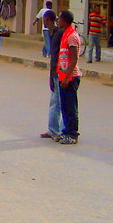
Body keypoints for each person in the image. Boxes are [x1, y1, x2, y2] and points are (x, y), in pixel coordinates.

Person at [56, 10, 82, 145]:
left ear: (65, 21)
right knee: (65, 106)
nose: (57, 21)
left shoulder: (72, 36)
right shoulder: (65, 34)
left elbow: (74, 58)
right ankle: (66, 131)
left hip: (70, 77)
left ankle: (72, 134)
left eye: (59, 19)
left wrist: (67, 77)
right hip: (64, 76)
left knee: (71, 107)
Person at [39, 10, 63, 141]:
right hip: (54, 72)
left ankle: (59, 130)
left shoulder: (59, 33)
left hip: (60, 72)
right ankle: (52, 129)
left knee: (59, 101)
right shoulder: (51, 34)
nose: (43, 22)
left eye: (44, 19)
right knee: (54, 101)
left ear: (48, 20)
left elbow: (61, 56)